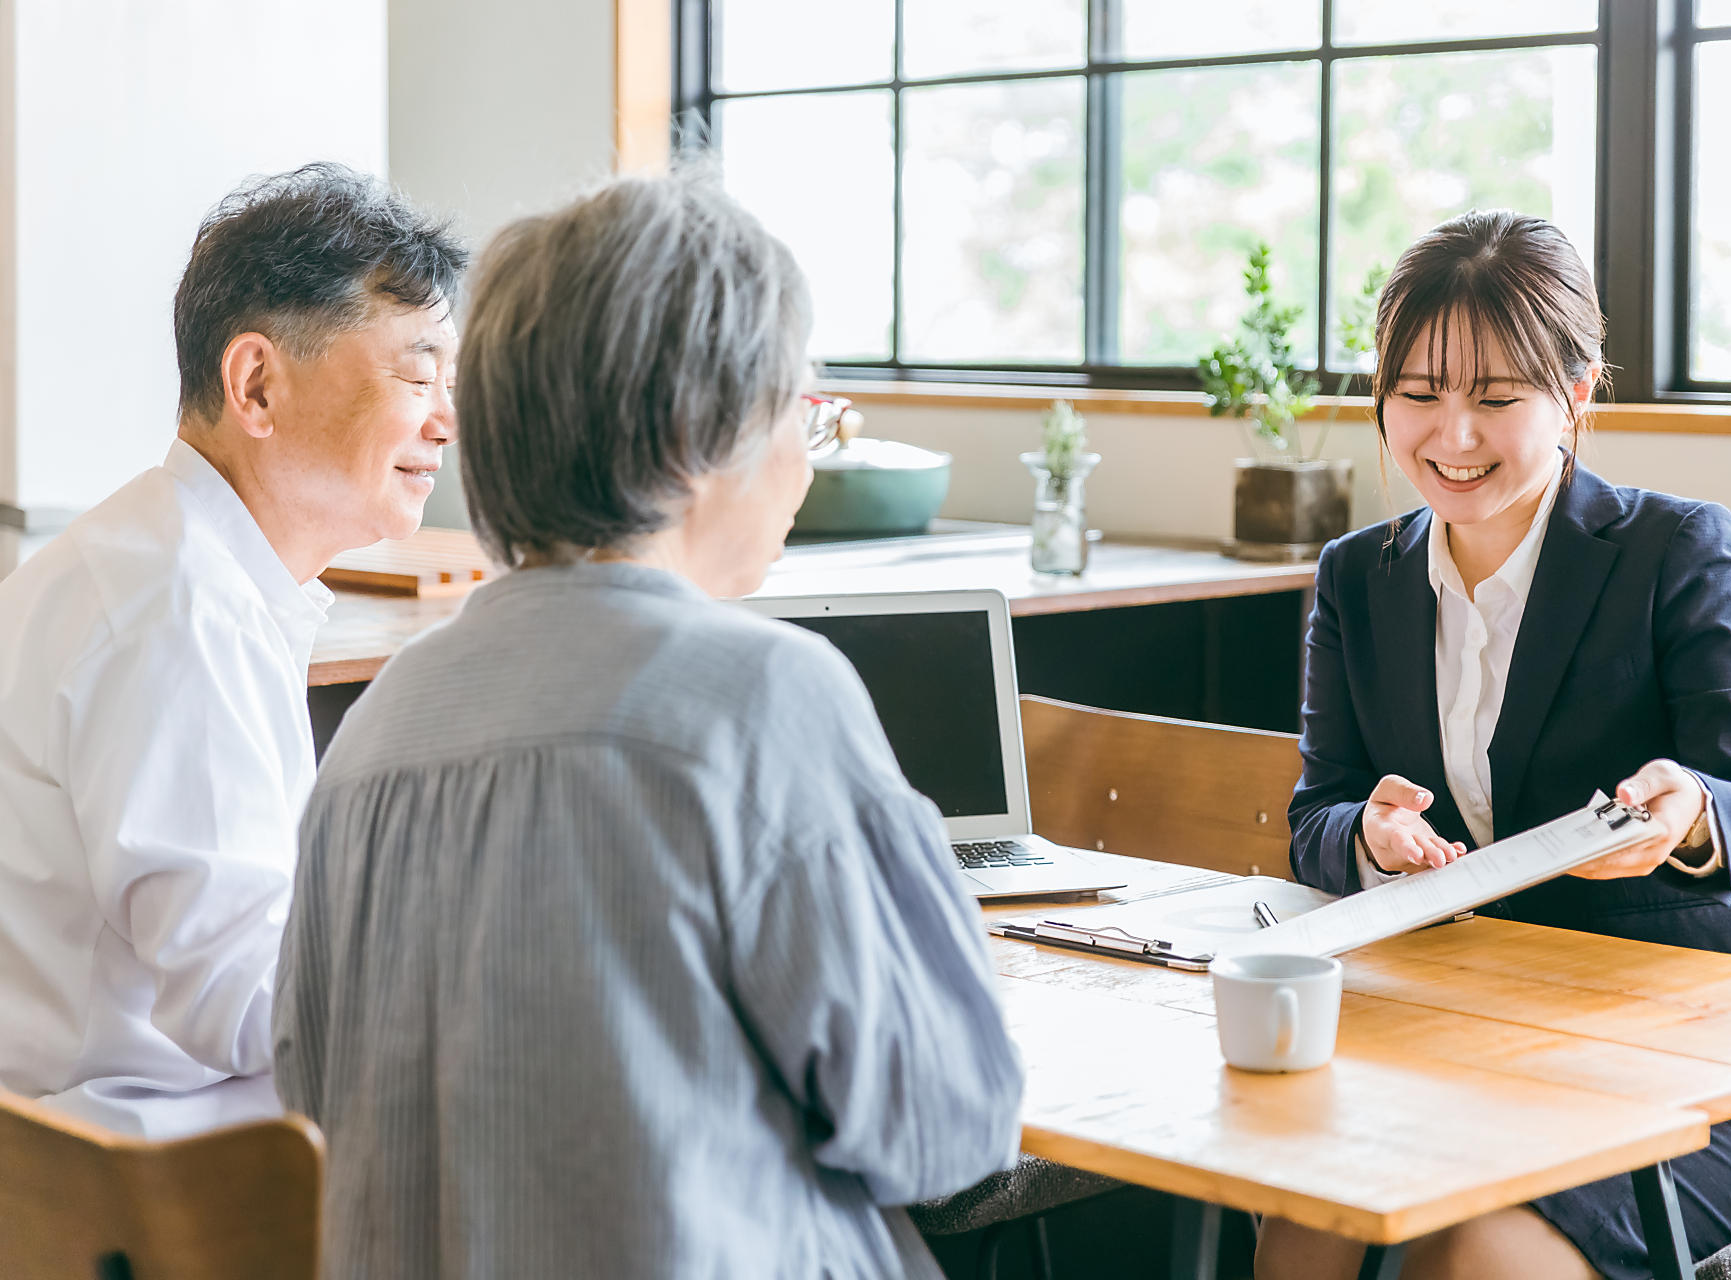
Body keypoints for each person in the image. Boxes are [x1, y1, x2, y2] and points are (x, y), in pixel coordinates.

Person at [272, 172, 1025, 1278]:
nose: (805, 455)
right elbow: (949, 1127)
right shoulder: (765, 694)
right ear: (697, 434)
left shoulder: (380, 724)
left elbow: (309, 1087)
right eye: (798, 406)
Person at [1258, 210, 1731, 1280]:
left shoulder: (1673, 548)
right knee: (1307, 1226)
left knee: (1476, 1255)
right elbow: (1319, 815)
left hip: (1724, 1048)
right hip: (1491, 1034)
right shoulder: (1359, 577)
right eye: (1421, 394)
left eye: (1496, 398)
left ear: (1577, 393)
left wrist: (1692, 815)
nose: (1455, 436)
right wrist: (1372, 835)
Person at [0, 163, 464, 1138]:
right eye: (418, 373)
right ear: (256, 382)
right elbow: (246, 999)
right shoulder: (177, 610)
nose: (445, 421)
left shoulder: (169, 561)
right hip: (123, 1167)